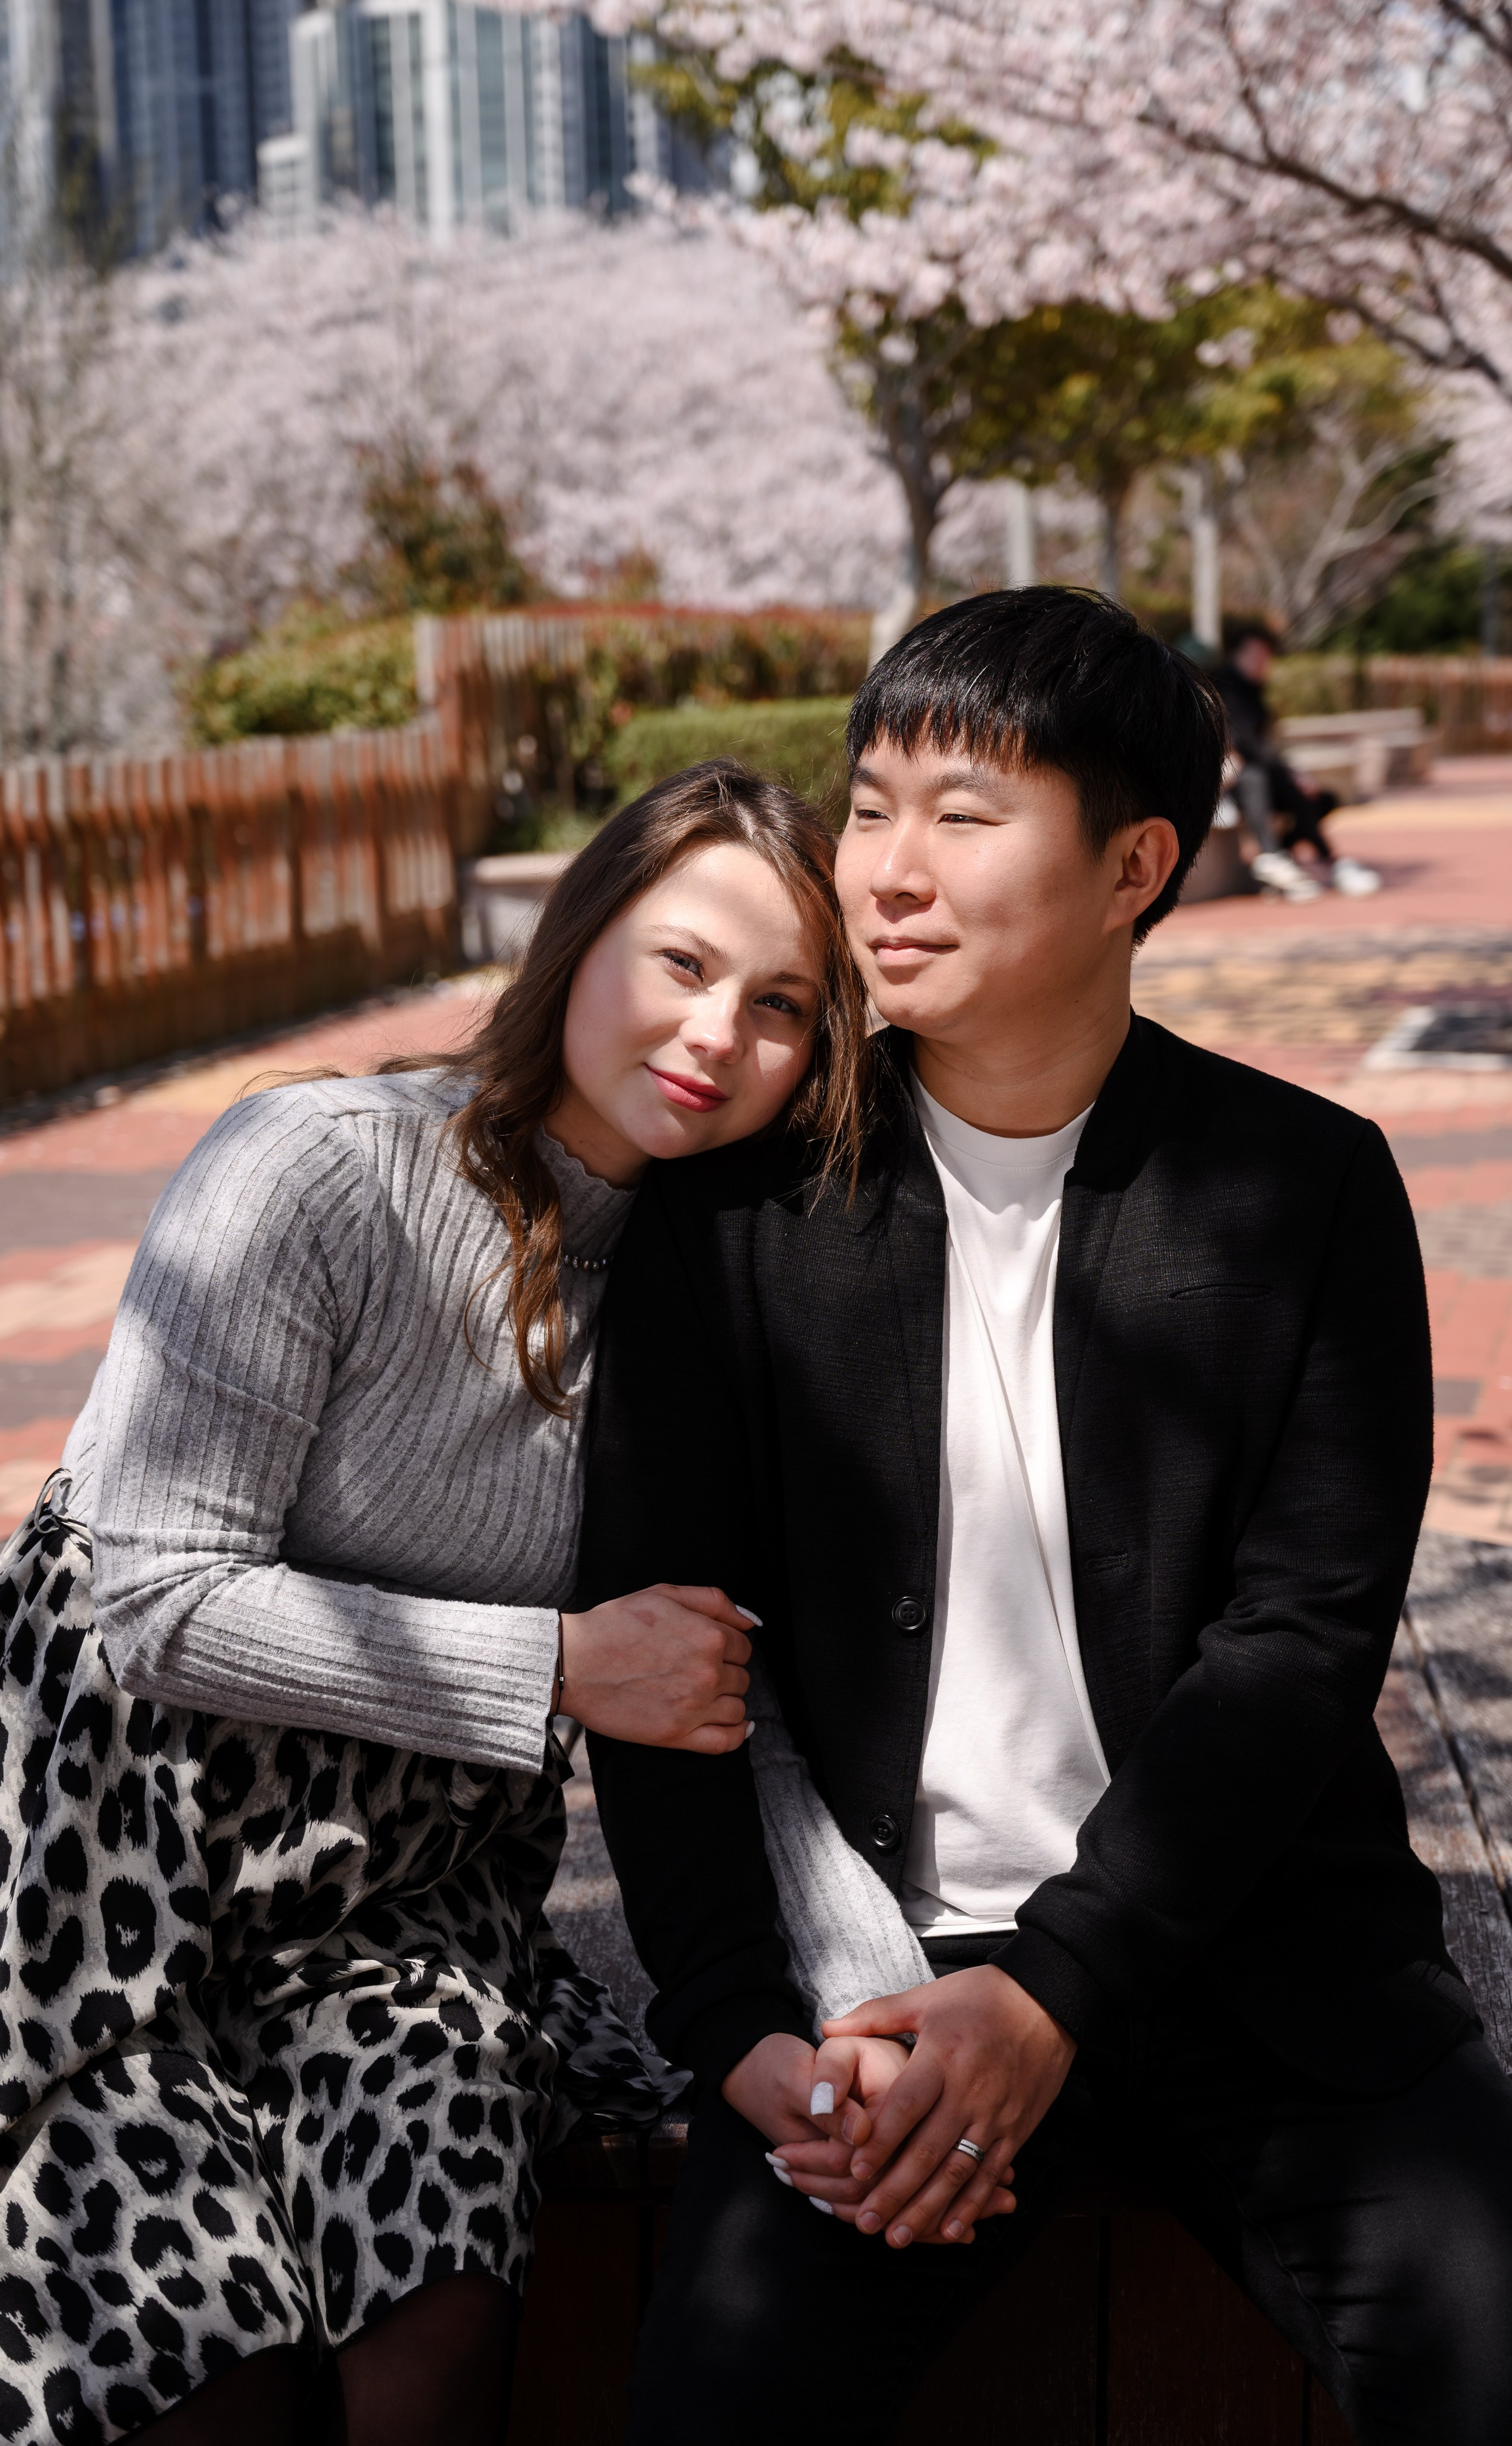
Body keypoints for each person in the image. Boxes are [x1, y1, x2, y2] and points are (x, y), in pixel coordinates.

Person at [0, 764, 887, 2446]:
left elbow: (715, 1681)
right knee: (204, 2387)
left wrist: (844, 2015)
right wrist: (552, 1662)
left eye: (781, 1005)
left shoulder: (725, 1284)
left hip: (402, 1895)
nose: (716, 1032)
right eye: (681, 961)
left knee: (441, 2330)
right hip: (87, 1864)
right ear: (580, 932)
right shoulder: (319, 1164)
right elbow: (150, 1593)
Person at [579, 589, 1512, 2445]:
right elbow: (667, 1663)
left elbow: (1299, 1649)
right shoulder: (733, 1222)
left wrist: (1061, 1987)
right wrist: (741, 2034)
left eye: (967, 815)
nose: (887, 873)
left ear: (1134, 866)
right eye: (868, 806)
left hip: (1258, 1966)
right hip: (880, 1996)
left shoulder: (1299, 1187)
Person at [1214, 619, 1382, 901]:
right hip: (1229, 783)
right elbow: (1245, 742)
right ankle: (1312, 860)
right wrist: (1291, 773)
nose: (1260, 662)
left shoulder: (1253, 692)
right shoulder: (1227, 688)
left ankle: (1286, 859)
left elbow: (1261, 746)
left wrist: (1291, 772)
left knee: (1321, 800)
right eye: (1253, 654)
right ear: (1236, 654)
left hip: (1259, 777)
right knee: (1263, 779)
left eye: (1265, 656)